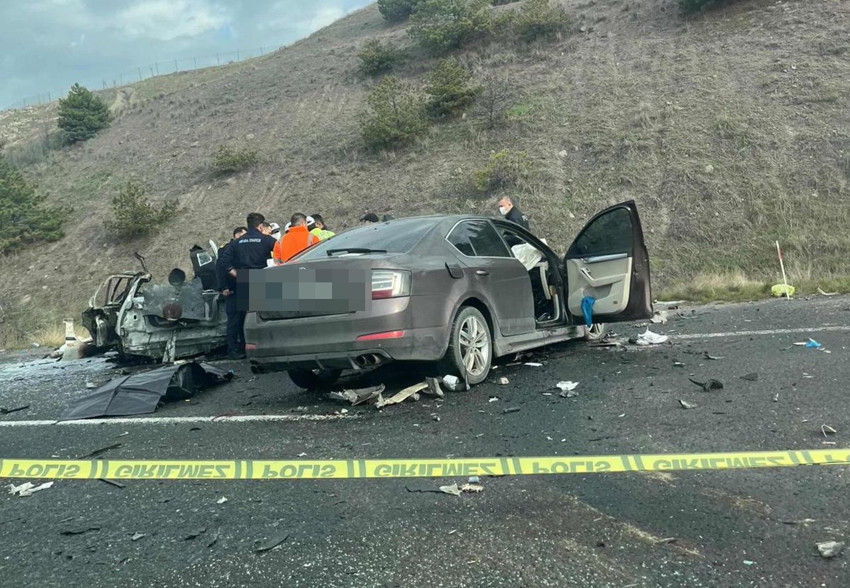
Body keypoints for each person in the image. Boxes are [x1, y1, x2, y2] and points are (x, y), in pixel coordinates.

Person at [224, 213, 277, 358]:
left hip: (244, 281)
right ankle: (269, 346)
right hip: (263, 279)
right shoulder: (267, 240)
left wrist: (236, 274)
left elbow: (224, 261)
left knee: (246, 318)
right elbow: (281, 254)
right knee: (267, 315)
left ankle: (249, 348)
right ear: (260, 226)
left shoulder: (236, 242)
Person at [215, 226, 247, 357]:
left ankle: (244, 347)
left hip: (243, 288)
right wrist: (224, 287)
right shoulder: (226, 250)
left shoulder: (241, 248)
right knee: (234, 321)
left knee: (244, 320)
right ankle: (233, 349)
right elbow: (221, 269)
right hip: (232, 290)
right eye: (243, 236)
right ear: (236, 235)